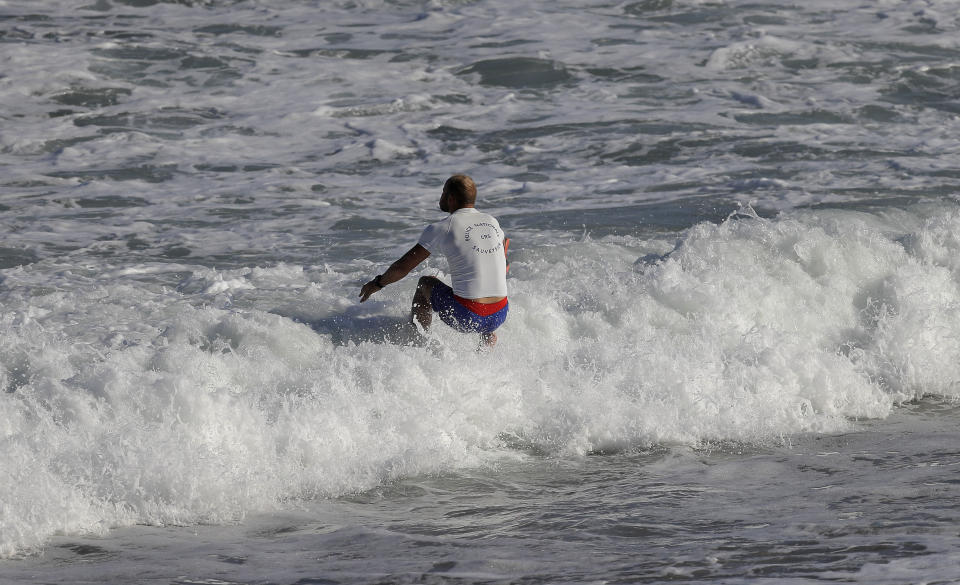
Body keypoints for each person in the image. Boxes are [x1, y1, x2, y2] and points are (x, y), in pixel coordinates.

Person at [358, 174, 509, 348]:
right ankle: (487, 343)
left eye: (443, 192)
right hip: (500, 314)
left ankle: (418, 343)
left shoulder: (443, 227)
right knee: (484, 288)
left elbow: (402, 267)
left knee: (425, 283)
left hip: (467, 316)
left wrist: (377, 283)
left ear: (450, 198)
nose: (441, 197)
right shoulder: (492, 222)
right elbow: (503, 262)